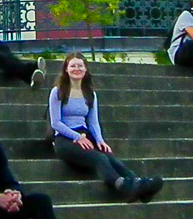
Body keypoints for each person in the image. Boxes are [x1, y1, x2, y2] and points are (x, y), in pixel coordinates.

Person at [49, 53, 163, 202]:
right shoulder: (57, 92)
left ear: (85, 69)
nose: (76, 69)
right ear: (66, 69)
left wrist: (100, 140)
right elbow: (55, 123)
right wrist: (77, 137)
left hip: (85, 134)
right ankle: (124, 187)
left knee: (110, 156)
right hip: (65, 139)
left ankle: (138, 183)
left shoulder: (90, 94)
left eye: (80, 66)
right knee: (99, 158)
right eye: (72, 66)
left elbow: (93, 122)